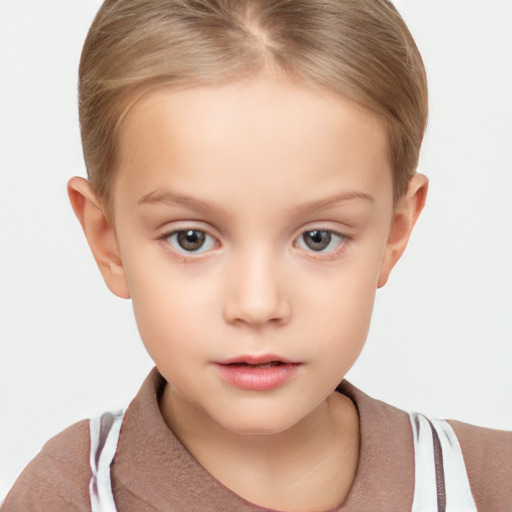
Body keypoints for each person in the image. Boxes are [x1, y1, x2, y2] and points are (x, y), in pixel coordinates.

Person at [2, 0, 510, 511]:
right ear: (106, 237)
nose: (258, 303)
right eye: (191, 239)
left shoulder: (491, 484)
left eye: (318, 238)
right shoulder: (65, 496)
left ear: (394, 234)